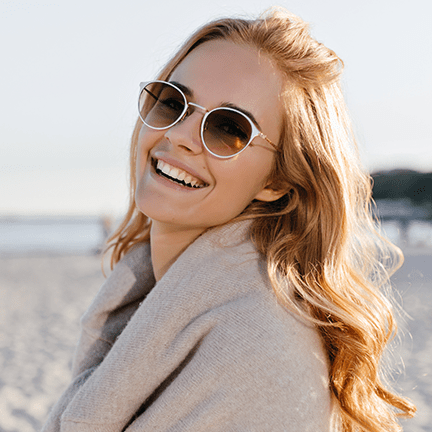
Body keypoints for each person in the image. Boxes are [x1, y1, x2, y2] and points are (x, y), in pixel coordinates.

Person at [42, 7, 416, 432]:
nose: (179, 136)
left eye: (228, 128)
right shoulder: (154, 297)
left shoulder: (255, 350)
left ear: (277, 180)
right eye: (171, 103)